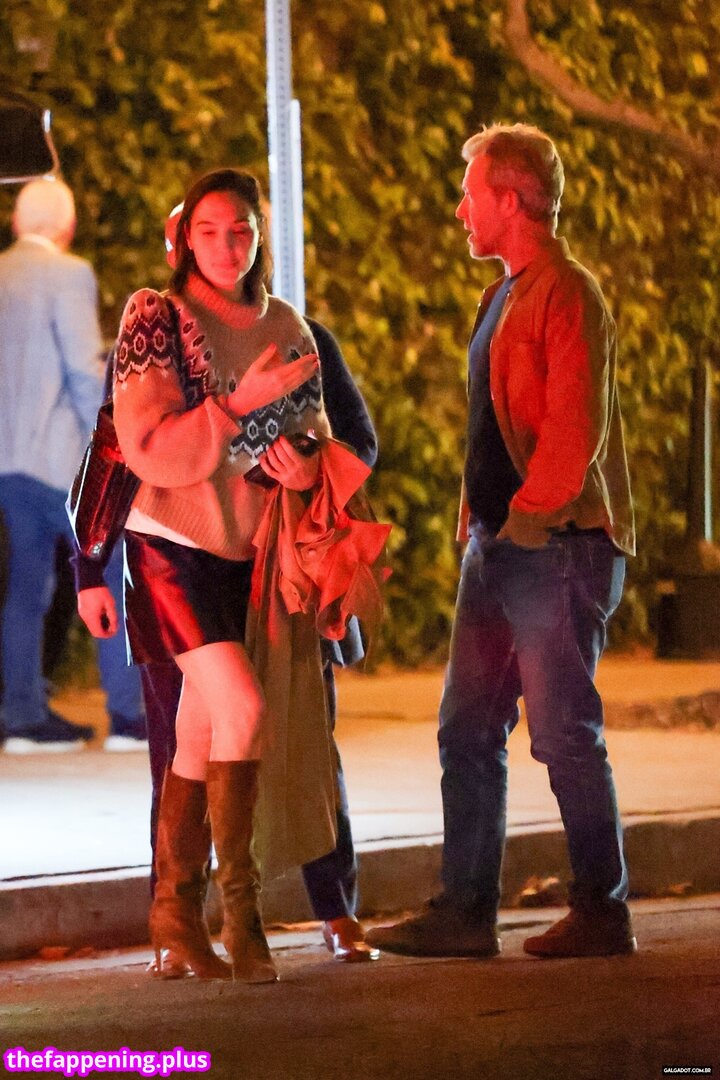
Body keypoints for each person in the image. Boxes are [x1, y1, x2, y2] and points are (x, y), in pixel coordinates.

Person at [90, 167, 384, 983]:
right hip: (169, 546)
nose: (228, 246)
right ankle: (241, 916)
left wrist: (304, 467)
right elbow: (145, 448)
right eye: (211, 230)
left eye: (243, 231)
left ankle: (175, 914)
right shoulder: (155, 316)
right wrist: (234, 405)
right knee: (242, 708)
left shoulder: (287, 325)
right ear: (186, 237)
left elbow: (318, 435)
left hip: (249, 556)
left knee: (198, 733)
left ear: (260, 236)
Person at [367, 123, 636, 961]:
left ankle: (602, 912)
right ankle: (465, 912)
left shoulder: (568, 294)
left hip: (554, 547)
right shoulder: (503, 296)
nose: (461, 212)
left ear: (511, 201)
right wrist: (481, 528)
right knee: (467, 730)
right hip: (501, 548)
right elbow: (494, 426)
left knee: (562, 734)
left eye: (471, 195)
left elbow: (572, 433)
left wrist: (523, 522)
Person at [0, 177, 145, 752]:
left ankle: (22, 717)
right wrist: (114, 446)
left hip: (8, 462)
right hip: (62, 460)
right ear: (68, 226)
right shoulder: (69, 274)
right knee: (112, 569)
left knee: (26, 588)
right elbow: (85, 371)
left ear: (17, 223)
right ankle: (129, 717)